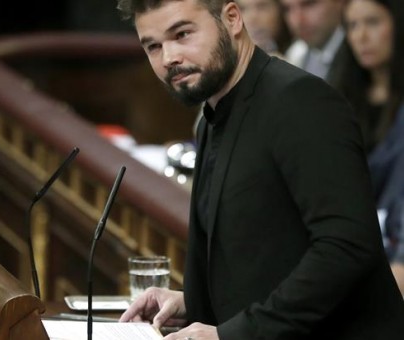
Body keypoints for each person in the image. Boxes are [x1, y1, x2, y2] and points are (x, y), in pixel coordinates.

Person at [114, 0, 404, 339]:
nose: (169, 58)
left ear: (232, 19)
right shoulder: (212, 116)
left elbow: (346, 248)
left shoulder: (301, 101)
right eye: (153, 46)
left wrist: (231, 335)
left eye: (182, 34)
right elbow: (265, 256)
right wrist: (193, 303)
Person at [339, 0, 404, 295]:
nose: (361, 36)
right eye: (352, 25)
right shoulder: (339, 91)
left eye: (373, 23)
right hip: (349, 245)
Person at [279, 0, 351, 88]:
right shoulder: (294, 55)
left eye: (309, 4)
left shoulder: (362, 58)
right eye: (287, 9)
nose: (297, 21)